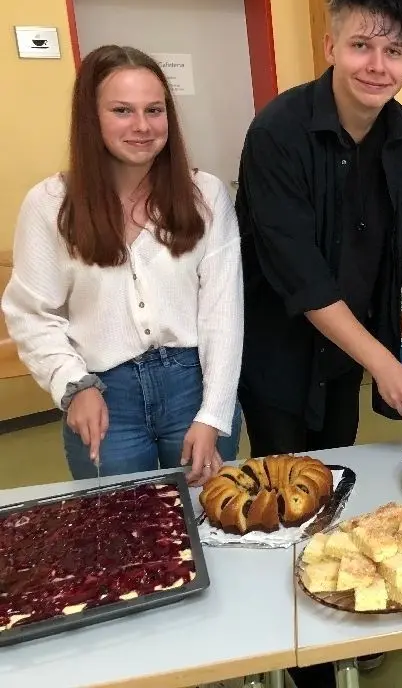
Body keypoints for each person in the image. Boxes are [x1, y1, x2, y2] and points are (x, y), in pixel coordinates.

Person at [233, 0, 402, 684]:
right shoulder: (278, 132)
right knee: (286, 505)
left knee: (333, 494)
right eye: (363, 45)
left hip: (344, 360)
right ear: (330, 43)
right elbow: (302, 279)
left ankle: (335, 620)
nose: (379, 64)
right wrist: (388, 363)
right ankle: (297, 658)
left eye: (395, 50)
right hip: (279, 358)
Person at [1, 45, 242, 485]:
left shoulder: (205, 195)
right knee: (122, 534)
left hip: (193, 385)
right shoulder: (51, 204)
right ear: (91, 119)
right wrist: (73, 384)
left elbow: (223, 315)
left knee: (208, 521)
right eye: (122, 111)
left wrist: (214, 414)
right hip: (106, 396)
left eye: (154, 110)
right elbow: (31, 313)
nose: (143, 126)